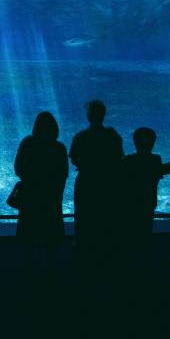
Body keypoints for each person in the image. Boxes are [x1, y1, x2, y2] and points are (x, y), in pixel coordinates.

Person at [69, 100, 124, 266]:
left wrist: (86, 165)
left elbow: (73, 159)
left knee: (84, 216)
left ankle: (83, 251)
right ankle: (106, 252)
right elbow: (119, 158)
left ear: (88, 116)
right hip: (107, 183)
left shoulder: (81, 136)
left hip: (86, 181)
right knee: (106, 216)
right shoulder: (112, 135)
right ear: (103, 115)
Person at [13, 112, 69, 271]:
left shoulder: (27, 143)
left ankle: (27, 270)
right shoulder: (59, 147)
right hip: (51, 198)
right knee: (51, 237)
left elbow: (18, 168)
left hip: (31, 197)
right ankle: (52, 271)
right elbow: (64, 173)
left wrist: (32, 180)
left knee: (29, 236)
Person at [122, 127, 170, 265]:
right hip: (148, 200)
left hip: (130, 201)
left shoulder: (128, 160)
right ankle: (145, 258)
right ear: (152, 143)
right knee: (146, 228)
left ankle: (131, 258)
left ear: (135, 142)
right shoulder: (156, 159)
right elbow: (157, 172)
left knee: (131, 229)